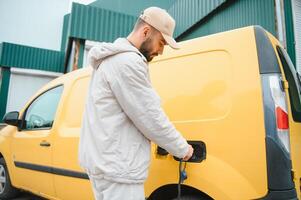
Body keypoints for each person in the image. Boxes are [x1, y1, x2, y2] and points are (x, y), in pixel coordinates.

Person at [78, 6, 194, 200]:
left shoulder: (109, 61)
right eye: (161, 42)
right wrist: (182, 148)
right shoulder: (128, 63)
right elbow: (149, 116)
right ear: (146, 31)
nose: (161, 51)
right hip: (119, 171)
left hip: (104, 165)